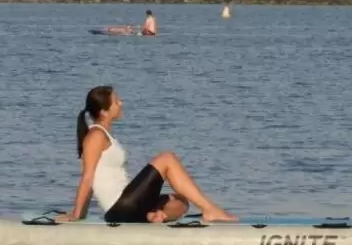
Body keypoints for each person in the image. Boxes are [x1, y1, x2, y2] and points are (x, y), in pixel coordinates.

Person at [54, 86, 237, 224]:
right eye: (116, 101)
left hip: (130, 205)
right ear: (104, 111)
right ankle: (210, 209)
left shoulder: (104, 134)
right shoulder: (95, 136)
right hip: (119, 208)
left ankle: (157, 216)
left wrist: (81, 214)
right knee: (167, 158)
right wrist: (77, 215)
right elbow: (88, 178)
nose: (121, 103)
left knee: (181, 201)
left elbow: (94, 180)